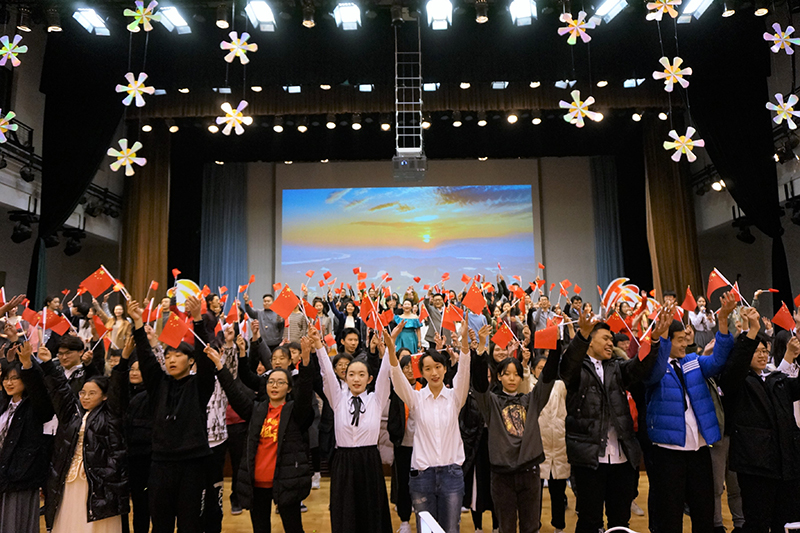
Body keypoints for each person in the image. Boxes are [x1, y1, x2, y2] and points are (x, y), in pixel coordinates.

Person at [560, 307, 672, 533]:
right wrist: (581, 335)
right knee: (589, 521)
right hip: (590, 458)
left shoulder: (617, 367)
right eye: (605, 338)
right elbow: (567, 366)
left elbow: (639, 366)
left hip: (622, 458)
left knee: (620, 522)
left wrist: (654, 339)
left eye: (612, 339)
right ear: (590, 342)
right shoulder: (577, 369)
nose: (611, 343)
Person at [643, 292, 736, 533]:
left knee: (704, 514)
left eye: (686, 339)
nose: (685, 343)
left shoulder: (692, 361)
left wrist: (723, 322)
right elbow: (652, 374)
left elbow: (718, 361)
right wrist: (660, 338)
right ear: (667, 340)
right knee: (670, 517)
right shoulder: (653, 366)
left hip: (699, 449)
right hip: (668, 452)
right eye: (680, 340)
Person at [204, 333, 315, 533]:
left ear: (289, 388)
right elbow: (234, 393)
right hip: (256, 483)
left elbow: (306, 391)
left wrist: (306, 360)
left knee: (293, 528)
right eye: (271, 382)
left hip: (285, 480)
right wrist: (219, 365)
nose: (275, 386)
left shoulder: (294, 412)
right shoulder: (257, 410)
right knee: (260, 528)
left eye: (280, 382)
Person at [128, 297, 215, 533]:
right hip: (160, 462)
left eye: (177, 355)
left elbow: (206, 360)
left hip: (192, 463)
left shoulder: (200, 385)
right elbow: (146, 357)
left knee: (190, 524)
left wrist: (197, 320)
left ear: (191, 361)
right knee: (160, 523)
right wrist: (138, 323)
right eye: (167, 357)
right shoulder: (159, 384)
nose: (171, 360)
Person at [471, 321, 559, 533]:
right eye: (507, 373)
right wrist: (481, 348)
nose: (512, 378)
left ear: (521, 377)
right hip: (502, 475)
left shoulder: (531, 400)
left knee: (531, 526)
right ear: (499, 376)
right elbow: (480, 384)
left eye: (516, 374)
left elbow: (547, 378)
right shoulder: (491, 403)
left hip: (529, 472)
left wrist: (555, 344)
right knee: (506, 527)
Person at [718, 307, 800, 533]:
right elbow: (734, 367)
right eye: (757, 351)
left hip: (784, 464)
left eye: (765, 351)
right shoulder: (738, 382)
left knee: (784, 521)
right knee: (757, 522)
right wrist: (752, 330)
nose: (763, 355)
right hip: (755, 465)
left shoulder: (775, 379)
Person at [36, 341, 129, 532]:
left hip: (98, 482)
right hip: (70, 477)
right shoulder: (72, 414)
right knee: (69, 519)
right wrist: (48, 364)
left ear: (104, 396)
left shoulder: (112, 414)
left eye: (92, 393)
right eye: (82, 393)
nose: (85, 397)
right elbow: (60, 391)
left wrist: (124, 359)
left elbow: (118, 386)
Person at [390, 317, 472, 533]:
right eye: (428, 369)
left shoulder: (455, 397)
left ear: (445, 369)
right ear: (422, 372)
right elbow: (397, 379)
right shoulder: (416, 398)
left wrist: (464, 341)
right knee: (426, 531)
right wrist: (391, 347)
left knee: (450, 529)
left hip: (452, 475)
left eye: (438, 367)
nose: (434, 373)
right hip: (422, 476)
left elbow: (464, 371)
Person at [316, 321, 393, 533]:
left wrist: (389, 347)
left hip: (369, 460)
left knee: (371, 512)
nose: (356, 379)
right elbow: (327, 373)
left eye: (361, 375)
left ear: (369, 379)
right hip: (343, 461)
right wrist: (319, 346)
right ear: (345, 377)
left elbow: (386, 373)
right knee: (345, 512)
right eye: (351, 374)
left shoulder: (376, 399)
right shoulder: (338, 399)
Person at [0, 343, 54, 533]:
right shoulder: (3, 404)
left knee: (15, 523)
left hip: (20, 474)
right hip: (3, 472)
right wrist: (5, 359)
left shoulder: (34, 406)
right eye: (6, 379)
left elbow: (39, 389)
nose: (9, 383)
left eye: (15, 378)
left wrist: (28, 365)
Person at [119, 335, 154, 533]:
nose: (134, 372)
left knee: (142, 502)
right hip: (122, 455)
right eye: (132, 369)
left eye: (139, 369)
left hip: (143, 456)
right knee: (121, 502)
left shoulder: (152, 394)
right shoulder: (124, 392)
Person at [388, 349, 421, 533]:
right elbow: (393, 417)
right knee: (403, 484)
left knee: (423, 484)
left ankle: (423, 518)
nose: (409, 370)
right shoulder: (397, 391)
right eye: (405, 367)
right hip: (403, 446)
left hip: (423, 446)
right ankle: (405, 520)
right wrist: (396, 437)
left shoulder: (424, 389)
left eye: (412, 366)